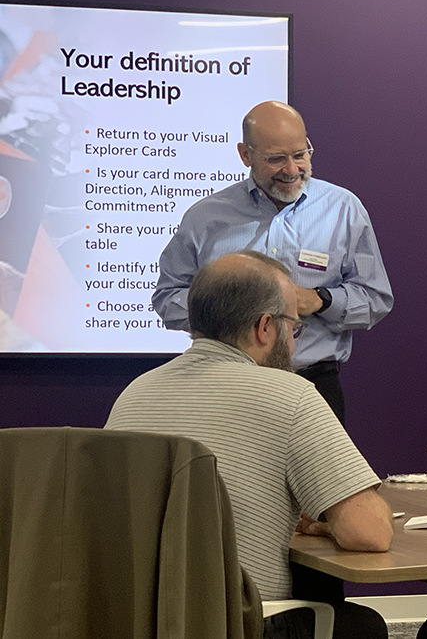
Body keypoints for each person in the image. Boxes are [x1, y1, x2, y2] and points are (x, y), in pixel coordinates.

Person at [107, 251, 394, 639]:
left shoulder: (134, 393)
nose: (293, 344)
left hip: (137, 619)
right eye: (294, 328)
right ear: (265, 327)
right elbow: (370, 533)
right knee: (363, 628)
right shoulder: (291, 394)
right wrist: (327, 528)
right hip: (239, 623)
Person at [152, 100, 393, 423]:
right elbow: (167, 298)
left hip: (313, 384)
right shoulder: (205, 217)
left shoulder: (343, 209)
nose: (291, 170)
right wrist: (225, 311)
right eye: (276, 159)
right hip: (225, 386)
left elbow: (375, 298)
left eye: (300, 155)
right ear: (245, 155)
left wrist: (319, 300)